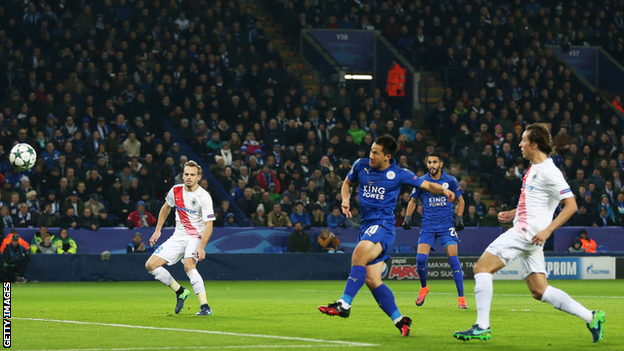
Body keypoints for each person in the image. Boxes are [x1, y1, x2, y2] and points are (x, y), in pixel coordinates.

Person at [453, 123, 605, 343]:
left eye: (523, 140)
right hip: (529, 233)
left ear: (534, 144)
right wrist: (513, 213)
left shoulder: (549, 171)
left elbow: (571, 205)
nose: (520, 144)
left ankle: (482, 326)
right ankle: (591, 317)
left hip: (527, 232)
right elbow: (537, 204)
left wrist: (548, 230)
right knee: (539, 291)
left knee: (481, 267)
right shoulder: (533, 168)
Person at [319, 135, 454, 337]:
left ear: (387, 156)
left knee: (358, 254)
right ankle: (401, 321)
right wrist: (345, 200)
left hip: (383, 224)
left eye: (376, 152)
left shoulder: (399, 174)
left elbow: (426, 185)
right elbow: (347, 183)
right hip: (366, 226)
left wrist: (445, 191)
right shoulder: (360, 166)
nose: (370, 155)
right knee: (372, 280)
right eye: (371, 150)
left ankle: (344, 304)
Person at [145, 161, 216, 316]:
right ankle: (180, 291)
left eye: (192, 175)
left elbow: (209, 225)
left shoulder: (204, 196)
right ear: (182, 175)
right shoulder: (175, 190)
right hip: (178, 236)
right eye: (186, 174)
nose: (189, 177)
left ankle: (205, 306)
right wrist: (158, 230)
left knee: (189, 265)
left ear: (199, 177)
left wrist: (202, 246)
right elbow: (166, 208)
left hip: (195, 236)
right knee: (150, 265)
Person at [403, 152, 467, 309]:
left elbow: (460, 200)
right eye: (429, 162)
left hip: (446, 226)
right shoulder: (422, 181)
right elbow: (413, 200)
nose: (432, 165)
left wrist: (459, 217)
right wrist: (407, 216)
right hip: (428, 227)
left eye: (434, 162)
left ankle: (461, 298)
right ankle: (424, 287)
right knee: (420, 260)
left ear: (441, 164)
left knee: (454, 260)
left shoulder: (451, 180)